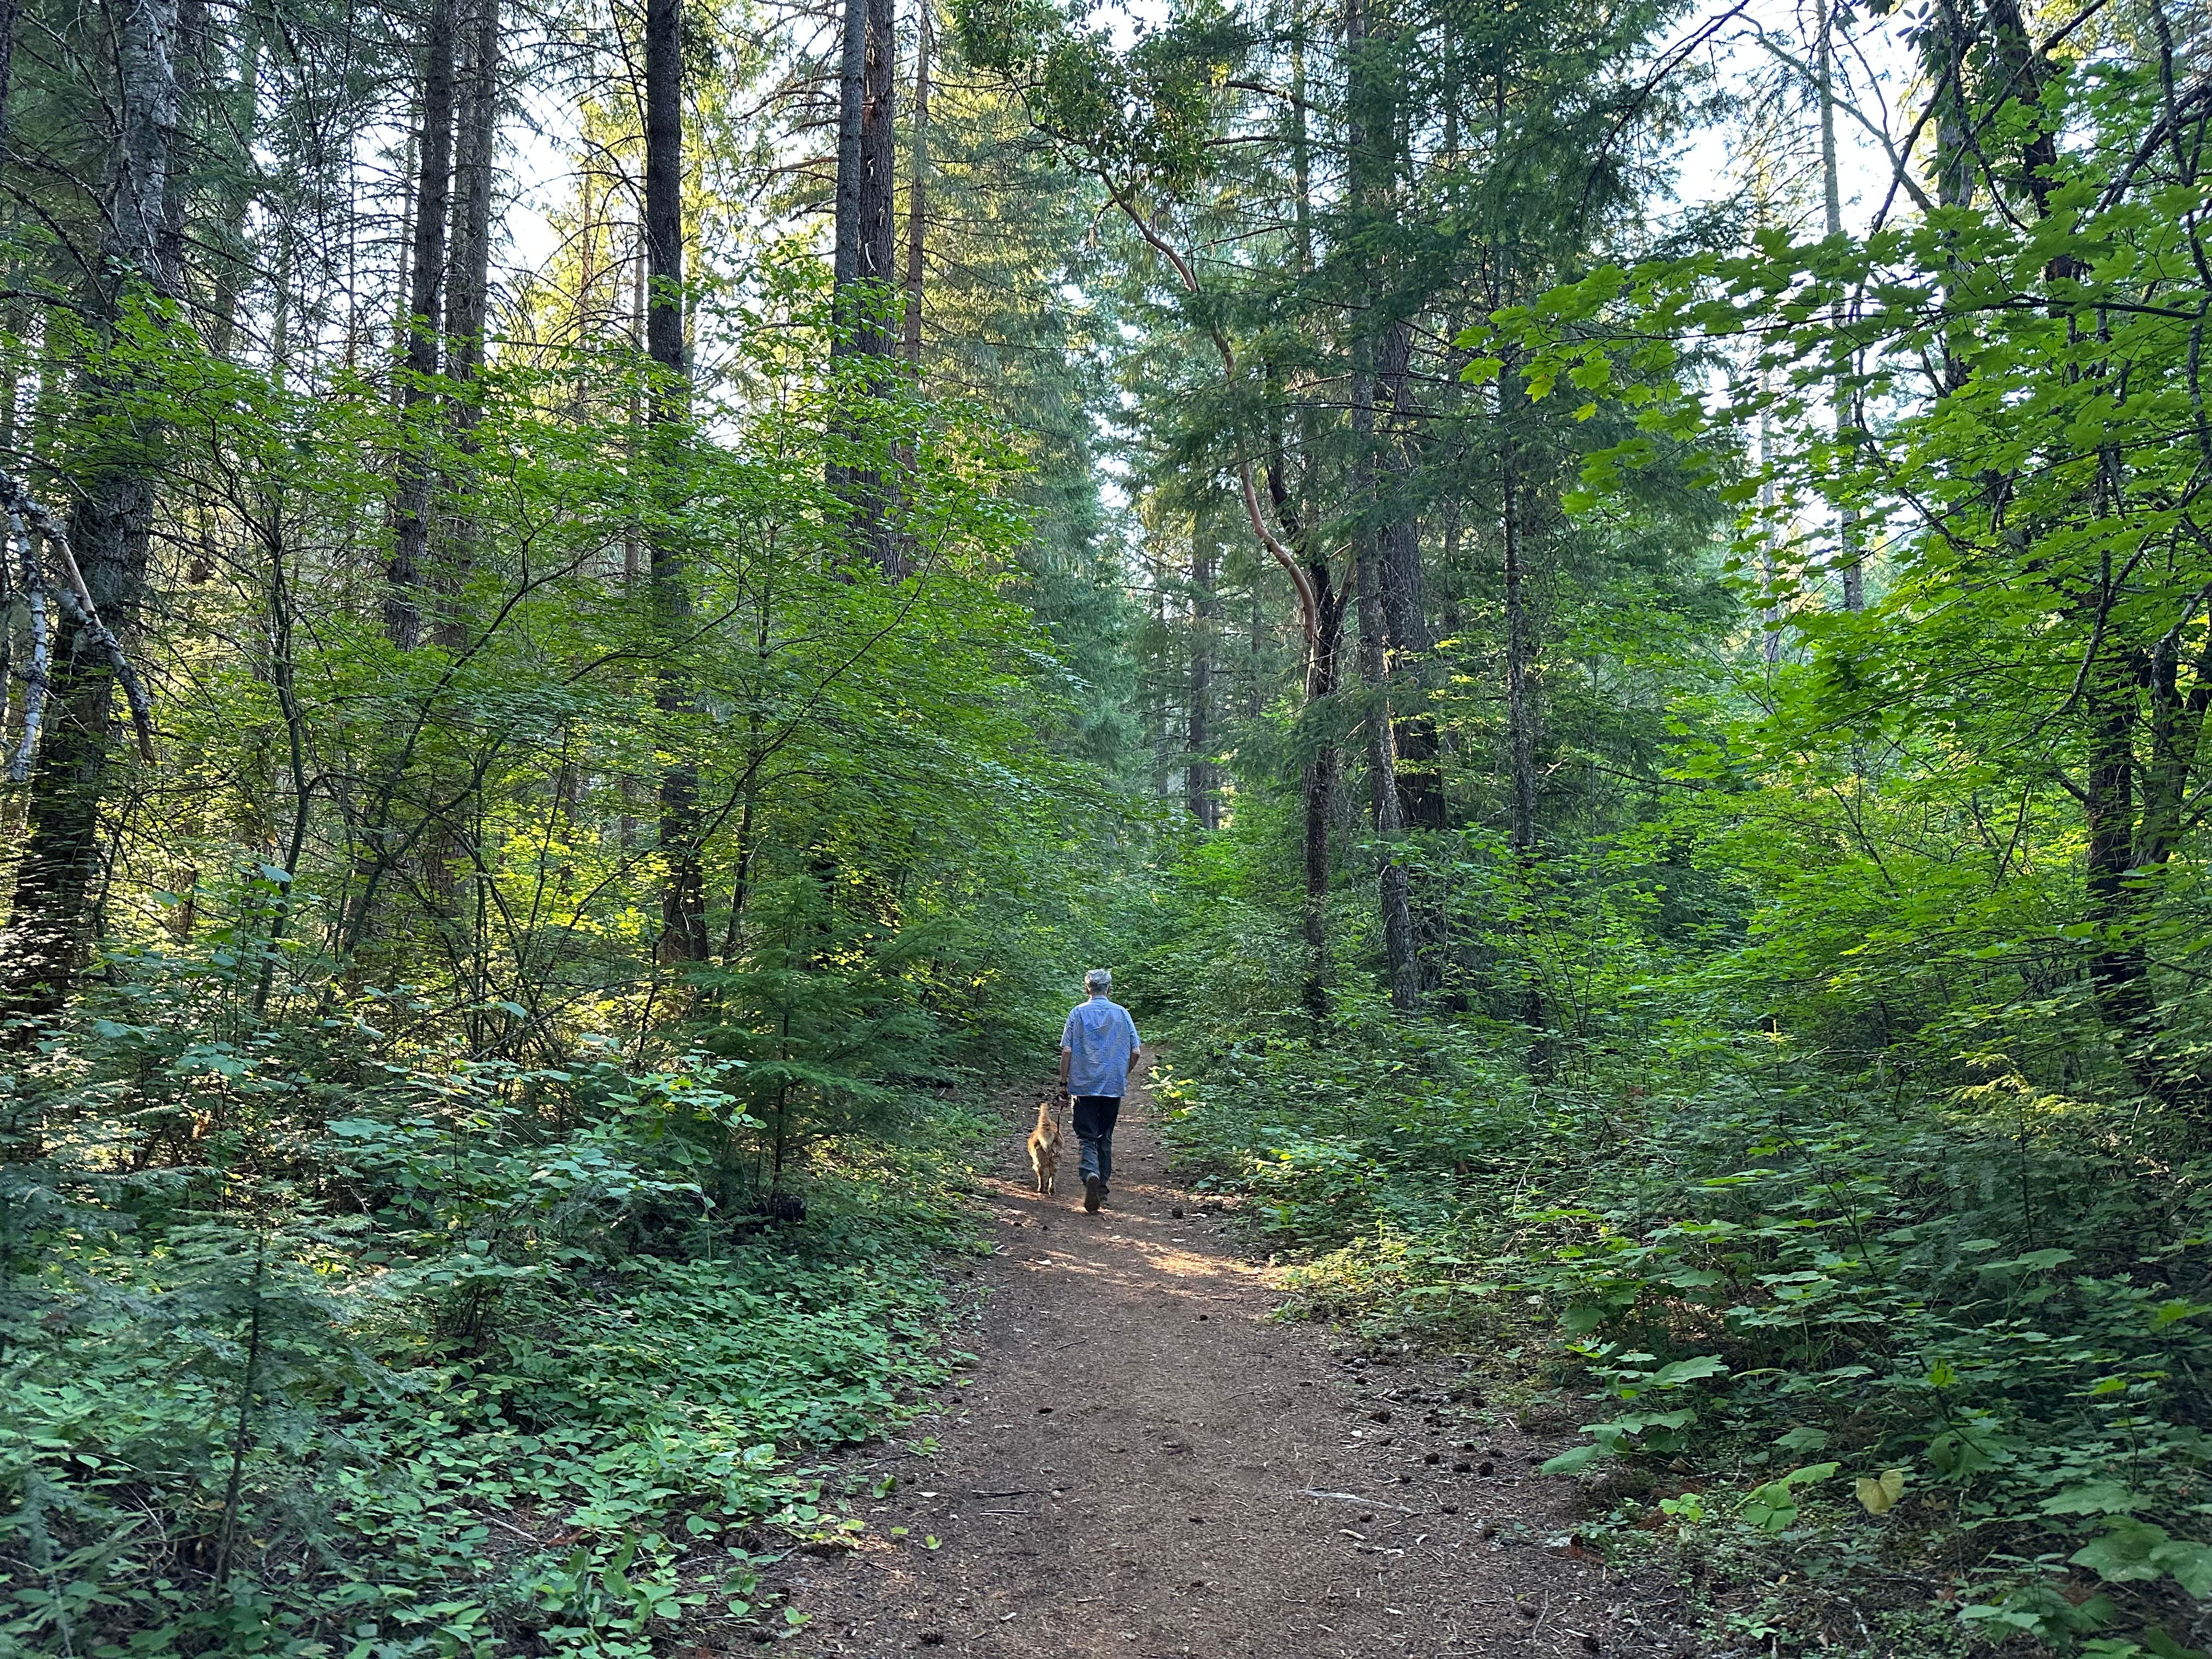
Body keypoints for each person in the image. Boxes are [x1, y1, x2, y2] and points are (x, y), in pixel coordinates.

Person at [1058, 968, 1141, 1213]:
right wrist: (1121, 1073)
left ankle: (1090, 1173)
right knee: (1105, 1136)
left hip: (1083, 1086)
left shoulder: (1078, 1013)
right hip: (1112, 1086)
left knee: (1086, 1136)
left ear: (1088, 989)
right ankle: (1101, 1190)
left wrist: (1063, 1084)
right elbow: (1136, 1052)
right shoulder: (1122, 1014)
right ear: (1109, 989)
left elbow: (1067, 1051)